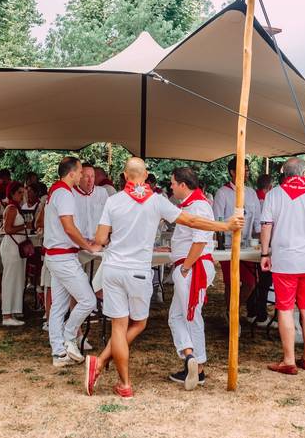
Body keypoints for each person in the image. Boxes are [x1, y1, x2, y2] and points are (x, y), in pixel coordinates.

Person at [84, 157, 244, 398]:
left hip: (113, 268)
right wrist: (225, 226)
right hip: (138, 271)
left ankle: (124, 383)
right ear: (146, 174)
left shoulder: (113, 201)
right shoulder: (157, 201)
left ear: (125, 176)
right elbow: (191, 220)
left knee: (119, 326)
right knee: (138, 324)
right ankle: (105, 365)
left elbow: (100, 238)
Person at [260, 158, 305, 375]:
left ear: (285, 173)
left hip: (285, 259)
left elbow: (266, 226)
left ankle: (289, 360)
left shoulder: (274, 195)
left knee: (285, 308)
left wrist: (265, 252)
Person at [42, 157, 100, 368]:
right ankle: (69, 336)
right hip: (63, 257)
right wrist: (88, 245)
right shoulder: (65, 193)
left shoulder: (56, 192)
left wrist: (85, 240)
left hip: (56, 255)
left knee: (58, 306)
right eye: (81, 172)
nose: (83, 175)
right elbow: (68, 227)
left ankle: (59, 353)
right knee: (88, 301)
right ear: (72, 173)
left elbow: (64, 228)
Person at [165, 167, 217, 389]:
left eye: (173, 183)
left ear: (183, 185)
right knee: (176, 316)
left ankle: (200, 365)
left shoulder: (199, 206)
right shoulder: (191, 205)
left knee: (190, 314)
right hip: (188, 267)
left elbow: (200, 240)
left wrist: (186, 267)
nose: (171, 187)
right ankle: (190, 359)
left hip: (192, 268)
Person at [213, 158, 263, 325]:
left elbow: (257, 222)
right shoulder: (222, 193)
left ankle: (231, 310)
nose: (247, 173)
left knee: (251, 282)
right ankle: (232, 316)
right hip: (227, 246)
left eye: (248, 170)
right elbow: (217, 221)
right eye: (243, 170)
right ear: (232, 172)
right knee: (231, 282)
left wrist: (262, 239)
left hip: (248, 245)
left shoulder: (251, 193)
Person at [0, 182, 30, 327]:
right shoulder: (11, 208)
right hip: (12, 246)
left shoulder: (15, 207)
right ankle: (7, 314)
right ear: (11, 193)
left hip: (17, 246)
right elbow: (8, 229)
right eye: (19, 192)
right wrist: (25, 226)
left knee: (18, 278)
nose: (22, 195)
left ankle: (15, 310)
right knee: (10, 279)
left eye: (23, 192)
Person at [74, 161, 109, 239]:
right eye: (86, 176)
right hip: (78, 242)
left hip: (97, 241)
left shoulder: (102, 192)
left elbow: (108, 217)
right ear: (79, 177)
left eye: (92, 176)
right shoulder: (71, 194)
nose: (90, 180)